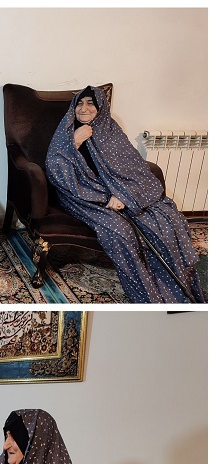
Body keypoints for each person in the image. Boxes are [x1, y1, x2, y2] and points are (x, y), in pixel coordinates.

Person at [45, 86, 205, 303]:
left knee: (165, 221)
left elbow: (134, 167)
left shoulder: (111, 131)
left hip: (119, 193)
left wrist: (124, 194)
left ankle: (177, 287)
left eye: (91, 103)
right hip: (82, 195)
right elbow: (54, 167)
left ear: (101, 108)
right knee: (121, 232)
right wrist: (75, 141)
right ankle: (148, 296)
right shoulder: (67, 132)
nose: (84, 108)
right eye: (79, 104)